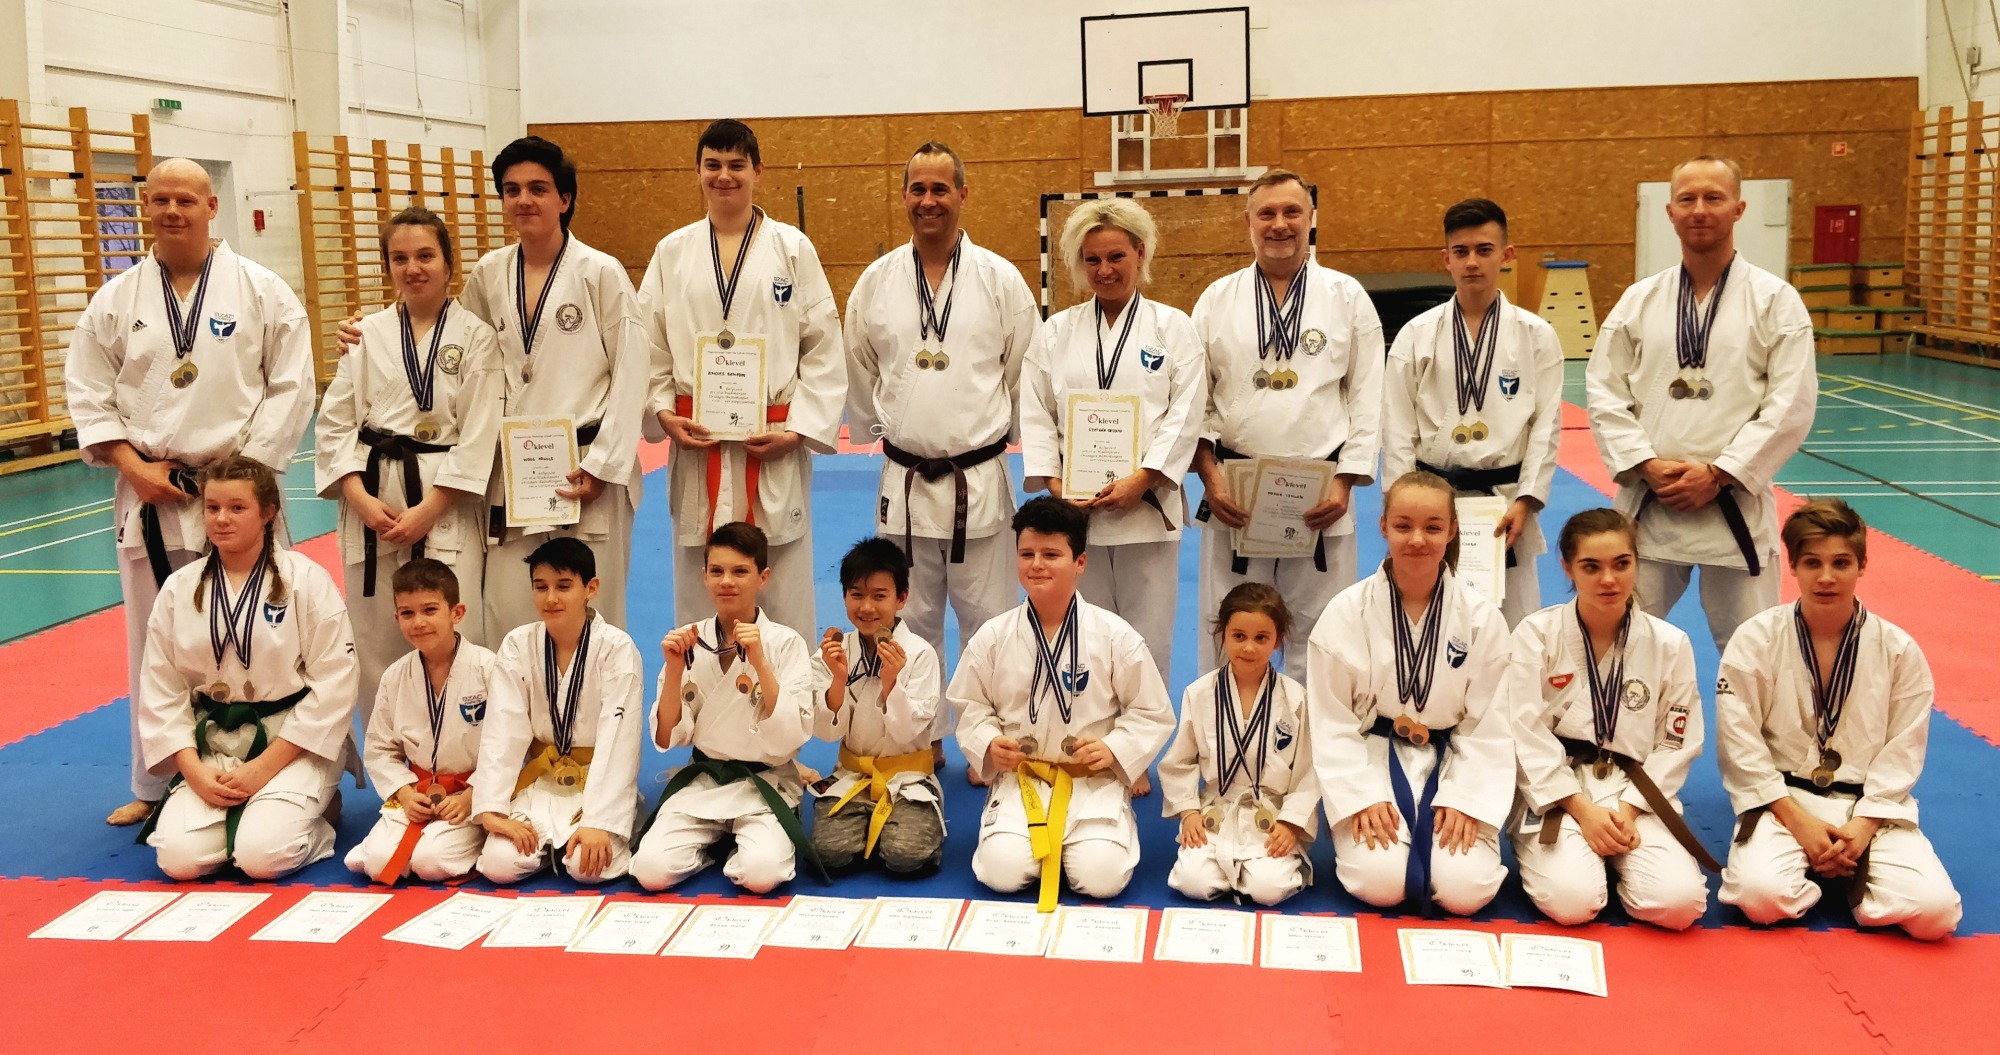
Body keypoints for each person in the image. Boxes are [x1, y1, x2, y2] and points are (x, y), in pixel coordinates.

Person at [67, 157, 316, 827]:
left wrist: (242, 480)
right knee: (154, 642)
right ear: (145, 205)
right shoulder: (115, 300)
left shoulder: (262, 290)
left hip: (238, 490)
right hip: (150, 492)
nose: (172, 211)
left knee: (264, 633)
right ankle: (154, 784)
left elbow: (292, 387)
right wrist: (131, 465)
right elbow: (88, 392)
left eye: (186, 199)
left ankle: (275, 769)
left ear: (211, 206)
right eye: (161, 200)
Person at [1585, 156, 1817, 653]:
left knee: (1754, 653)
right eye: (1687, 199)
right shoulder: (1639, 300)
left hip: (1734, 503)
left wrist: (1721, 473)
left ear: (1738, 208)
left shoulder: (1775, 301)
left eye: (1714, 197)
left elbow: (1792, 403)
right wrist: (1644, 463)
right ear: (1670, 211)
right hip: (1651, 500)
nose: (1699, 210)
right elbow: (1604, 390)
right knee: (1620, 641)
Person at [1716, 499, 1962, 940]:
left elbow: (1904, 749)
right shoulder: (1755, 639)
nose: (1826, 577)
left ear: (1862, 565)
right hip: (1784, 800)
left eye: (1841, 563)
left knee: (1936, 916)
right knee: (1760, 899)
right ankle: (1829, 871)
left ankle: (1843, 874)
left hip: (1866, 806)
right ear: (1794, 566)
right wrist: (1799, 822)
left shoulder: (1898, 650)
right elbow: (1740, 744)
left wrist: (1863, 826)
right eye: (1813, 562)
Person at [645, 119, 845, 645]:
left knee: (782, 585)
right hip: (699, 442)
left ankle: (786, 692)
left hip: (770, 444)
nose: (724, 176)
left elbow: (822, 344)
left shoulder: (791, 248)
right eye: (712, 165)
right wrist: (663, 413)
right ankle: (700, 690)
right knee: (702, 586)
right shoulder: (672, 252)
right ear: (697, 172)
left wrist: (798, 430)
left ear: (758, 170)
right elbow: (650, 345)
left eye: (737, 165)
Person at [843, 140, 1037, 670]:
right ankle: (916, 721)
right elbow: (859, 364)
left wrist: (1005, 434)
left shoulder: (1000, 279)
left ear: (963, 195)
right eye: (917, 189)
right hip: (904, 482)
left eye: (940, 189)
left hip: (978, 482)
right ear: (904, 196)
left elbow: (1025, 369)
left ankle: (985, 725)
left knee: (990, 625)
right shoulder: (876, 281)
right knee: (908, 626)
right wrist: (876, 429)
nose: (928, 201)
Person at [1190, 169, 1383, 680]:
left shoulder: (1346, 297)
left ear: (1311, 218)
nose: (1280, 224)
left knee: (1321, 634)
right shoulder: (1216, 299)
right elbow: (1194, 402)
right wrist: (1211, 478)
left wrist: (1345, 483)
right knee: (1230, 624)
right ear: (1248, 222)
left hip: (1321, 493)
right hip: (1237, 493)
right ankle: (1225, 722)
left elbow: (1368, 397)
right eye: (1267, 213)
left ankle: (1310, 728)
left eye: (1292, 212)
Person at [315, 208, 503, 719]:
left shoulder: (476, 337)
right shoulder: (365, 333)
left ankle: (461, 752)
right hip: (371, 498)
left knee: (454, 632)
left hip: (444, 502)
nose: (413, 268)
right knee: (375, 636)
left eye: (425, 256)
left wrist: (428, 511)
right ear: (387, 267)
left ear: (448, 264)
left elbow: (480, 435)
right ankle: (389, 755)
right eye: (400, 258)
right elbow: (334, 423)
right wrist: (358, 498)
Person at [136, 457, 355, 880]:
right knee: (179, 860)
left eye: (237, 508)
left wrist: (263, 768)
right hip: (214, 745)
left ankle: (322, 812)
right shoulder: (180, 588)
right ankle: (251, 817)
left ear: (268, 512)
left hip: (292, 742)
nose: (221, 519)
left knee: (262, 858)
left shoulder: (306, 580)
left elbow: (335, 684)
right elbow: (162, 688)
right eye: (212, 508)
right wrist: (193, 771)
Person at [951, 496, 1175, 910]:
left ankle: (1110, 824)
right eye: (1027, 554)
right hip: (1022, 778)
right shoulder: (994, 636)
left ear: (1080, 562)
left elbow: (1151, 711)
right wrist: (988, 742)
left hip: (1092, 780)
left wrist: (1115, 748)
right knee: (1002, 873)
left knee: (1101, 879)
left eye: (1051, 554)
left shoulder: (1114, 635)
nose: (1037, 564)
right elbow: (970, 704)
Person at [1307, 471, 1513, 915]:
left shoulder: (1481, 618)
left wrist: (1466, 798)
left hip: (1453, 758)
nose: (1417, 539)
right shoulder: (1345, 613)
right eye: (1403, 525)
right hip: (1370, 757)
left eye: (1432, 527)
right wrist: (1360, 795)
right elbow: (1330, 720)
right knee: (1379, 883)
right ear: (1383, 526)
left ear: (1452, 531)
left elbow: (1490, 724)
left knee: (1466, 891)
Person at [1020, 197, 1205, 681]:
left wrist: (1144, 478)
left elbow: (1186, 412)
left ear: (1140, 254)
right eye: (1093, 259)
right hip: (1078, 513)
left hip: (1147, 509)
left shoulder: (1173, 328)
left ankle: (1143, 730)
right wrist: (1057, 486)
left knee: (1148, 637)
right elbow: (1036, 411)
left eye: (1116, 256)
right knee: (1083, 635)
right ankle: (1087, 721)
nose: (1104, 270)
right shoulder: (1056, 332)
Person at [1508, 509, 1713, 930]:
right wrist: (1583, 811)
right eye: (1591, 567)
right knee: (1572, 904)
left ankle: (1613, 859)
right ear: (1567, 567)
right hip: (1559, 789)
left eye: (1621, 564)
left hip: (1632, 791)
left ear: (1637, 562)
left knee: (1680, 906)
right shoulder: (1536, 634)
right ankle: (1585, 862)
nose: (1608, 580)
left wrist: (1627, 811)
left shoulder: (1669, 643)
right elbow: (1523, 730)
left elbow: (1677, 741)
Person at [1383, 198, 1562, 626]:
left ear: (1507, 254)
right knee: (1429, 620)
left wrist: (1527, 501)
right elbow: (1397, 428)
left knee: (1513, 627)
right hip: (1431, 505)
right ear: (1446, 259)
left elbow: (1546, 427)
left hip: (1505, 505)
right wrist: (1399, 504)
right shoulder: (1416, 335)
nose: (1472, 262)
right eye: (1461, 252)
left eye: (1484, 250)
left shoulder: (1536, 336)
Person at [633, 522, 818, 893]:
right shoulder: (689, 640)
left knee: (761, 875)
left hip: (764, 783)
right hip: (705, 781)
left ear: (763, 577)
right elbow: (667, 737)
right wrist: (673, 669)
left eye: (740, 571)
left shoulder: (785, 642)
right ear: (704, 576)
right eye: (716, 571)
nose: (727, 581)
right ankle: (712, 849)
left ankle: (742, 845)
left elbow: (791, 736)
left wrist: (760, 661)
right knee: (650, 872)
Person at [471, 537, 644, 884]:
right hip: (543, 778)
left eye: (564, 586)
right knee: (499, 866)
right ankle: (551, 845)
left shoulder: (616, 648)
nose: (550, 598)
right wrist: (492, 809)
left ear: (590, 588)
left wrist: (600, 821)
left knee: (586, 869)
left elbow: (620, 740)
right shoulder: (518, 644)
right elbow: (502, 730)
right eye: (541, 587)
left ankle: (621, 822)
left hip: (595, 781)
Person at [1158, 583, 1318, 906]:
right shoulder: (1200, 693)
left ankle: (1259, 872)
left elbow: (1308, 771)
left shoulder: (1295, 699)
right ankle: (1232, 873)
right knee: (1192, 881)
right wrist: (1188, 812)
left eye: (1261, 638)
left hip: (1271, 816)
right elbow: (1180, 762)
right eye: (1239, 636)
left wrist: (1291, 823)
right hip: (1215, 813)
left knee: (1268, 889)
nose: (1249, 647)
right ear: (1223, 634)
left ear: (1278, 640)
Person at [344, 560, 497, 884]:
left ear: (457, 613)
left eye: (430, 610)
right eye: (407, 613)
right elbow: (380, 749)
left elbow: (507, 745)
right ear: (396, 618)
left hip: (472, 795)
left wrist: (472, 796)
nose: (419, 622)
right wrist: (404, 792)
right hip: (419, 794)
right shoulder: (396, 676)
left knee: (430, 862)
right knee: (379, 863)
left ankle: (482, 837)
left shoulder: (488, 669)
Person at [808, 538, 946, 872]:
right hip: (852, 774)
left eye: (879, 596)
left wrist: (891, 683)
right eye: (856, 595)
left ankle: (911, 824)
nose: (867, 607)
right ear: (844, 596)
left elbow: (907, 732)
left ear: (902, 598)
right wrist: (838, 679)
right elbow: (826, 733)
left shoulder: (920, 654)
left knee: (907, 856)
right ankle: (865, 825)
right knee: (829, 855)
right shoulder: (833, 652)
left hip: (908, 778)